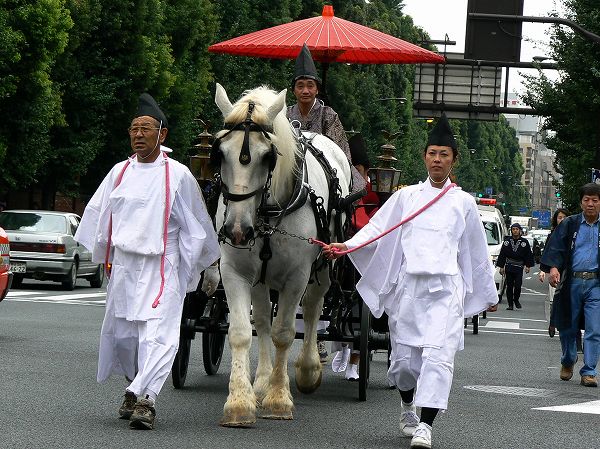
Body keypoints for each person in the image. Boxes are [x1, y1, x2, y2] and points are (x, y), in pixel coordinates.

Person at [323, 114, 498, 448]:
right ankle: (407, 407)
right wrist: (345, 246)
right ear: (424, 157)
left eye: (444, 154)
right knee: (404, 364)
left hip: (445, 291)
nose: (437, 159)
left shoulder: (464, 203)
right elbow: (378, 229)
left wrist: (485, 290)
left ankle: (426, 426)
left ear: (453, 160)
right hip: (410, 290)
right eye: (432, 152)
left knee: (437, 358)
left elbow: (475, 251)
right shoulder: (407, 197)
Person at [74, 93, 220, 429]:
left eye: (146, 129)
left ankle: (146, 400)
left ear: (162, 135)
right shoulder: (119, 172)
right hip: (125, 266)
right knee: (125, 335)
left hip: (162, 264)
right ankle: (134, 382)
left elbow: (196, 225)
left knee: (158, 333)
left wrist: (205, 265)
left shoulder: (178, 175)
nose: (139, 135)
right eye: (134, 129)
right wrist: (103, 256)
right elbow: (100, 214)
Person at [330, 133, 381, 380]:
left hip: (362, 251)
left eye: (358, 168)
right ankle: (339, 348)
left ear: (366, 169)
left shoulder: (372, 193)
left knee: (359, 304)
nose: (354, 172)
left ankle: (355, 360)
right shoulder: (336, 186)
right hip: (337, 247)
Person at [540, 183, 600, 387]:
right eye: (586, 200)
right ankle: (568, 359)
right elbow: (555, 247)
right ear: (581, 202)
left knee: (594, 328)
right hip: (572, 281)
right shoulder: (571, 223)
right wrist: (554, 268)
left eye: (595, 200)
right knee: (567, 325)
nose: (590, 204)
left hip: (596, 284)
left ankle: (589, 371)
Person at [286, 44, 366, 195]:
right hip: (291, 174)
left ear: (317, 89)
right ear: (293, 90)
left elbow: (340, 153)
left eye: (310, 86)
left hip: (325, 175)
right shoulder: (286, 114)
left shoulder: (328, 115)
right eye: (300, 86)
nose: (305, 91)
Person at [539, 208, 569, 337]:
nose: (561, 220)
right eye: (559, 217)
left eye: (564, 217)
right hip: (554, 270)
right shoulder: (552, 235)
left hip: (569, 270)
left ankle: (568, 326)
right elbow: (547, 253)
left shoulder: (573, 233)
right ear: (555, 219)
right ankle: (552, 322)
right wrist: (543, 270)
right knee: (555, 298)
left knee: (569, 299)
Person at [496, 223, 534, 310]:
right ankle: (510, 304)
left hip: (519, 267)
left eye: (517, 229)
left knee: (518, 285)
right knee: (509, 286)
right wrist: (501, 267)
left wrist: (528, 266)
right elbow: (502, 254)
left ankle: (516, 299)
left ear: (520, 230)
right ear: (511, 230)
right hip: (509, 266)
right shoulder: (507, 241)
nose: (515, 231)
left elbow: (528, 254)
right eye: (513, 229)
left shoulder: (524, 242)